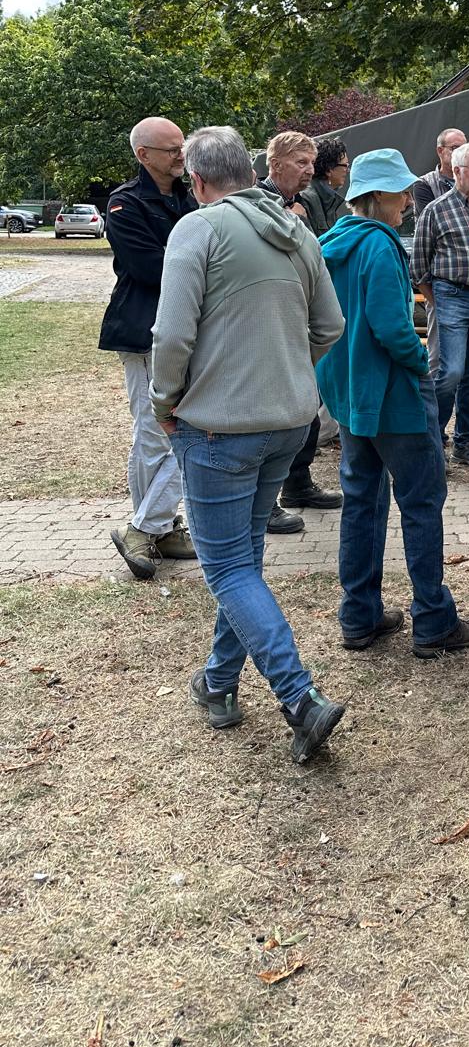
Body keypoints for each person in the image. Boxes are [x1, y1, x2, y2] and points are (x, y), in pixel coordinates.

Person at [149, 126, 347, 764]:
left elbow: (171, 336)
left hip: (219, 430)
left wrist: (163, 402)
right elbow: (330, 325)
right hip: (287, 423)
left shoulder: (198, 229)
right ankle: (218, 683)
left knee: (229, 568)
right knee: (244, 560)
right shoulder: (297, 231)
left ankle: (300, 698)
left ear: (199, 181)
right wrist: (287, 370)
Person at [317, 149, 469, 657]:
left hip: (351, 397)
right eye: (402, 192)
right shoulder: (379, 244)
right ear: (379, 195)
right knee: (421, 503)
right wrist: (419, 364)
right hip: (393, 398)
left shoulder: (330, 243)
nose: (409, 201)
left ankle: (359, 616)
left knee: (361, 503)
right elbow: (393, 328)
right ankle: (433, 620)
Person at [101, 116, 198, 579]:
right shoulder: (125, 203)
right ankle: (153, 526)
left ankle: (151, 528)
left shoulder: (191, 196)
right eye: (171, 149)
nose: (181, 155)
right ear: (144, 155)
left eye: (182, 147)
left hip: (189, 327)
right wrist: (200, 264)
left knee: (172, 430)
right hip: (144, 330)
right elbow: (149, 267)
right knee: (157, 431)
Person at [260, 129, 341, 522]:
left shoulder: (304, 202)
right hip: (271, 322)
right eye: (300, 162)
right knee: (273, 414)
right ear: (275, 164)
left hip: (303, 317)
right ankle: (265, 504)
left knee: (306, 405)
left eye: (311, 162)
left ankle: (297, 484)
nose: (309, 170)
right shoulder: (259, 204)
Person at [412, 140, 469, 468]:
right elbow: (418, 265)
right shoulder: (435, 210)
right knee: (450, 372)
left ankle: (464, 444)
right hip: (452, 296)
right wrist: (438, 301)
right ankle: (433, 444)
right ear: (456, 171)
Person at [297, 137, 350, 233]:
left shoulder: (328, 199)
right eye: (345, 165)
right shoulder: (306, 199)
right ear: (329, 169)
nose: (347, 170)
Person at [412, 127, 467, 217]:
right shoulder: (424, 184)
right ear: (440, 151)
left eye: (464, 149)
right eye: (455, 148)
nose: (461, 154)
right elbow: (431, 220)